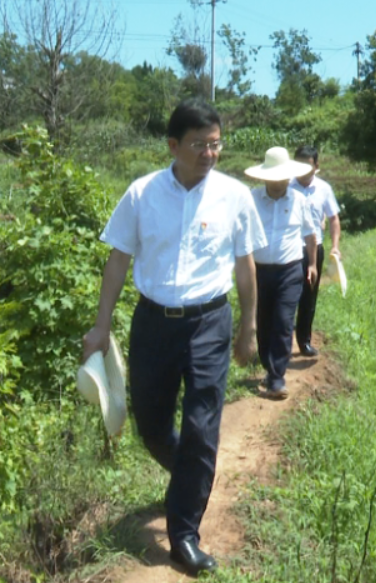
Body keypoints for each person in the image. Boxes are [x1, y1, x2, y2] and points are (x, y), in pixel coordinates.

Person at [81, 99, 267, 576]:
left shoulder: (234, 196)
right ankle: (192, 472)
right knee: (150, 424)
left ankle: (183, 533)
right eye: (199, 145)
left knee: (204, 426)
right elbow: (118, 260)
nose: (209, 154)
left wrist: (248, 328)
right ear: (172, 146)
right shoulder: (142, 194)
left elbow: (245, 265)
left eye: (216, 145)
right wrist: (101, 327)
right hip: (153, 322)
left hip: (209, 322)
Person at [246, 147, 318, 399]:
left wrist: (311, 264)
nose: (278, 183)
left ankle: (277, 377)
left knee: (283, 321)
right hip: (259, 270)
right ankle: (268, 365)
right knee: (264, 321)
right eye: (273, 178)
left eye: (282, 178)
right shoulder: (251, 199)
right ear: (264, 177)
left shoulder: (299, 200)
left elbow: (310, 235)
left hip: (290, 270)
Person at [290, 145, 341, 357]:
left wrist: (335, 246)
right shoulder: (286, 187)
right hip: (290, 249)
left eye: (307, 165)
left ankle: (304, 341)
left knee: (308, 296)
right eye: (299, 165)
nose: (303, 169)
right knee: (287, 296)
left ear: (316, 166)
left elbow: (333, 219)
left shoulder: (324, 189)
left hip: (314, 249)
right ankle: (281, 342)